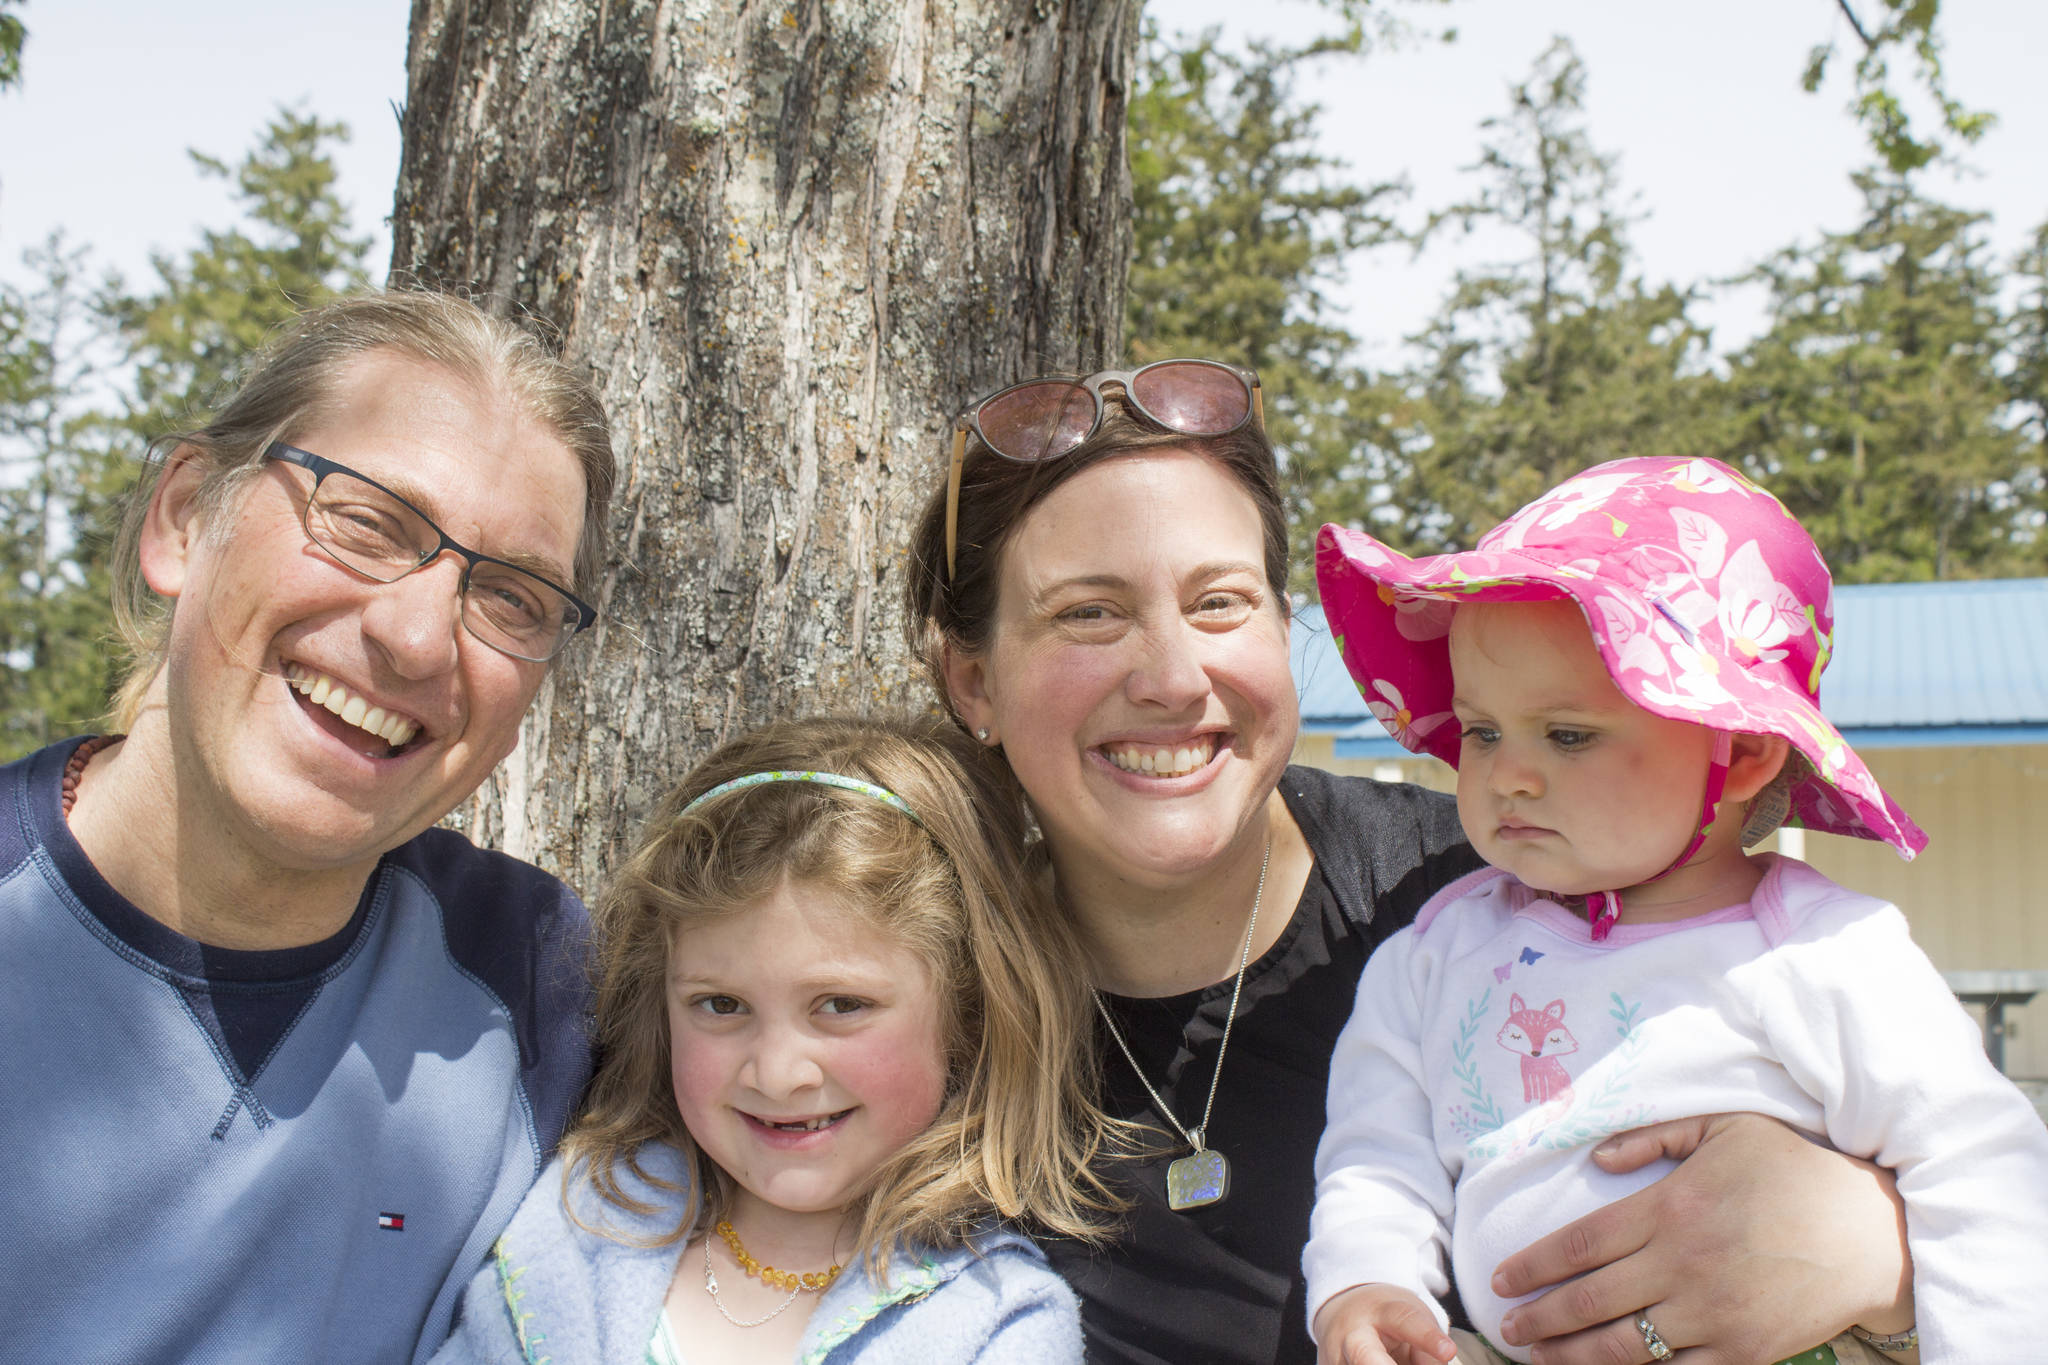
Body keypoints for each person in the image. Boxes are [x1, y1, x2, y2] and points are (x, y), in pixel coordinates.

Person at [906, 361, 1926, 1365]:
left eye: (1220, 602)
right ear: (972, 682)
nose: (1174, 678)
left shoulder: (1504, 902)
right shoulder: (907, 998)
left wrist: (1879, 1262)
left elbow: (1945, 1166)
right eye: (1088, 613)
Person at [1307, 456, 2048, 1365]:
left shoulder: (1825, 953)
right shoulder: (1433, 956)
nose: (1506, 772)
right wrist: (1368, 1282)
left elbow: (1983, 1170)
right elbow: (1376, 1157)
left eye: (1567, 734)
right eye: (1482, 730)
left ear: (1739, 754)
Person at [0, 290, 616, 1362]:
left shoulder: (541, 997)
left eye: (512, 598)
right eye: (369, 522)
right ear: (186, 517)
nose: (419, 638)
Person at [434, 716, 1118, 1362]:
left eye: (841, 1005)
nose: (778, 1072)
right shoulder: (575, 1234)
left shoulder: (993, 1326)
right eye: (722, 1004)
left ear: (966, 1014)